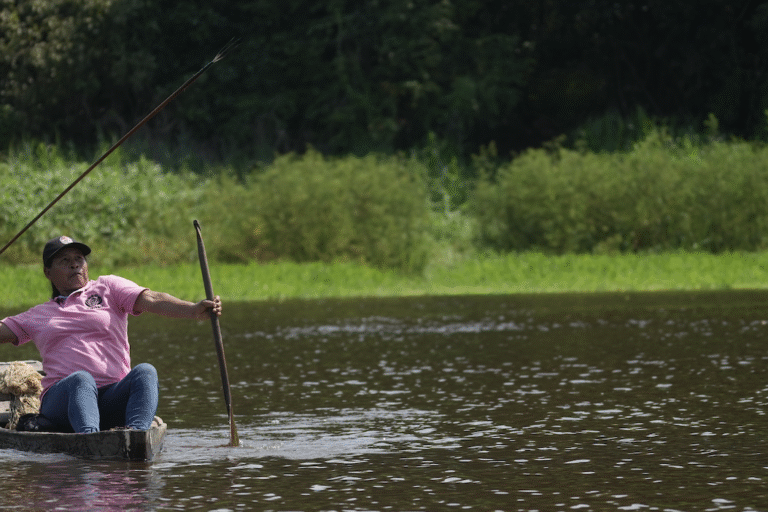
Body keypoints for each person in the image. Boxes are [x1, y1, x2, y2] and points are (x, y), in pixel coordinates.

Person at [0, 235, 222, 433]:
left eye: (79, 259)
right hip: (63, 402)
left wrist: (193, 310)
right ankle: (91, 439)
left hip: (111, 397)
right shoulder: (37, 315)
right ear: (48, 272)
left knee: (146, 372)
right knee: (81, 379)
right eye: (64, 261)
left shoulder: (108, 288)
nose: (74, 265)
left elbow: (152, 299)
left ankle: (135, 437)